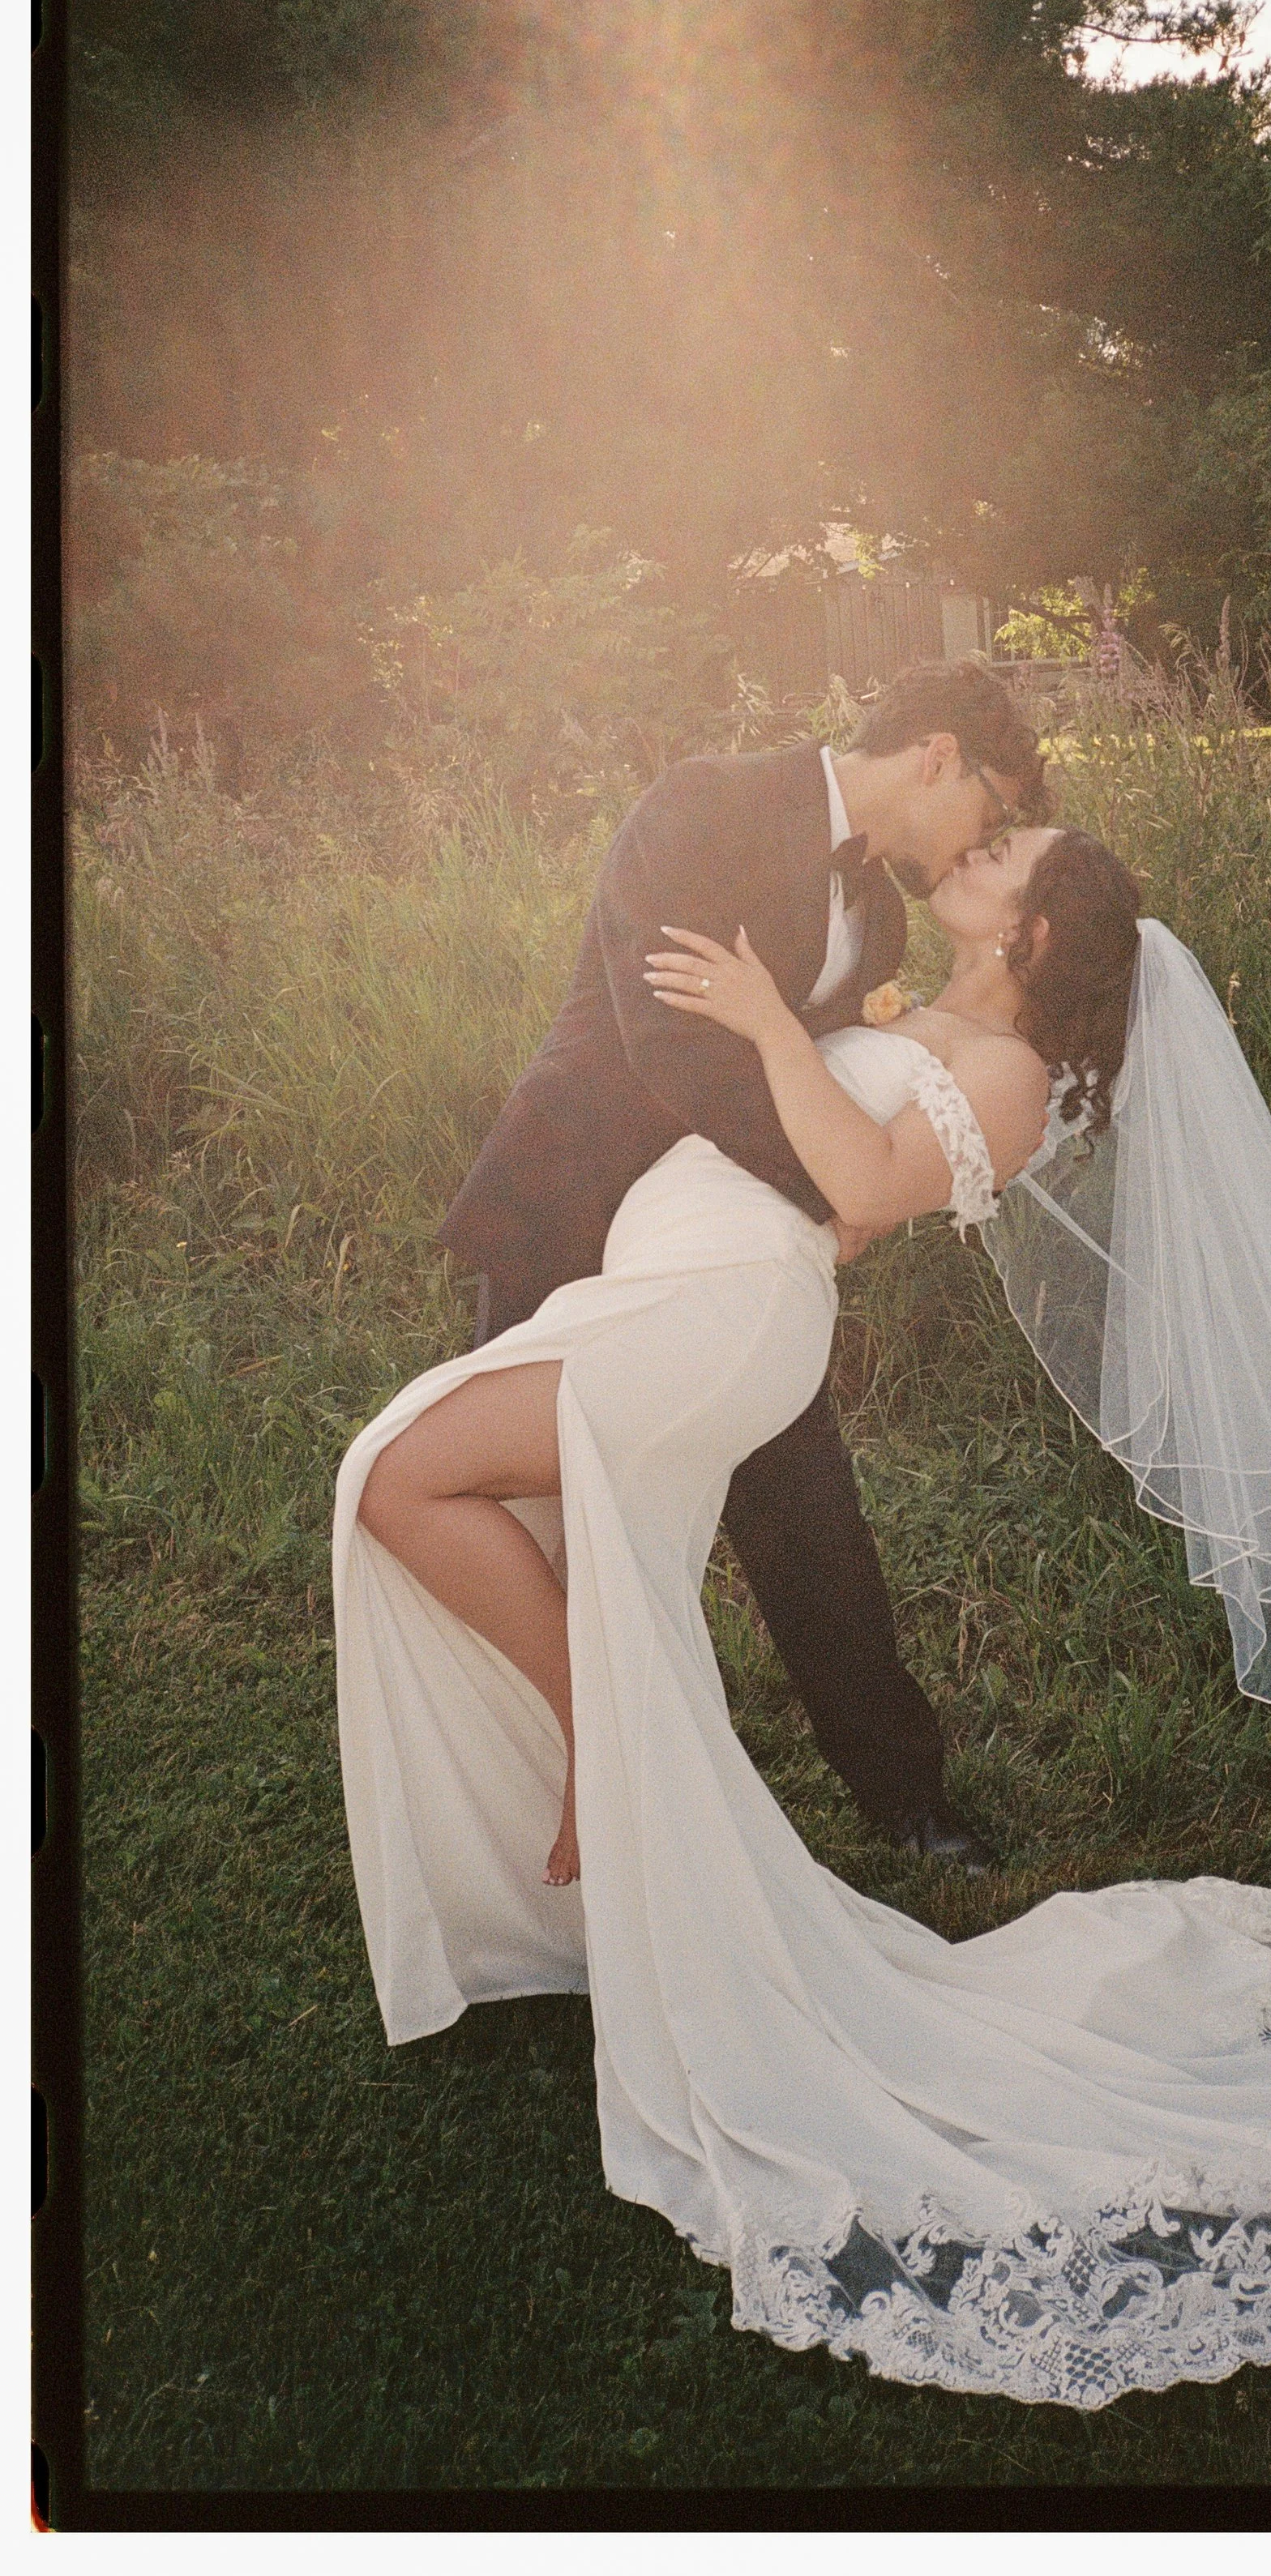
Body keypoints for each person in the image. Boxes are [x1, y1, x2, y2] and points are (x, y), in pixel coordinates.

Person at [334, 817, 1271, 2411]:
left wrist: (777, 1028)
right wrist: (822, 1029)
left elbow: (851, 1191)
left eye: (1000, 856)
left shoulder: (1013, 1082)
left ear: (1038, 938)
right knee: (503, 1526)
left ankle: (596, 1758)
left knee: (396, 1476)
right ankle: (592, 1768)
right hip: (661, 1296)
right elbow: (814, 1173)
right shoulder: (921, 1016)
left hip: (712, 1322)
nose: (969, 851)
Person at [433, 658, 1051, 1870]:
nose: (988, 833)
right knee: (516, 1512)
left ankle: (909, 1801)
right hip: (570, 1209)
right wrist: (834, 1187)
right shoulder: (700, 804)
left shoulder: (874, 915)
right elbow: (671, 1046)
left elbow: (802, 1071)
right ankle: (526, 1810)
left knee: (807, 1513)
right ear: (935, 756)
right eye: (992, 801)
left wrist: (829, 1186)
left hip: (719, 1250)